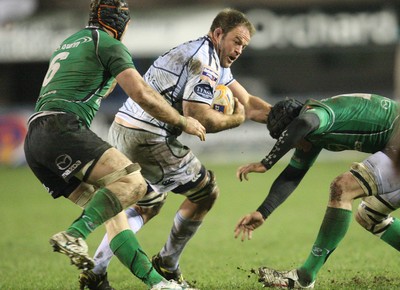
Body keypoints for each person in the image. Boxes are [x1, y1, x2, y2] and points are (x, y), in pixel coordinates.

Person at [78, 8, 272, 290]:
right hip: (147, 137)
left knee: (149, 203)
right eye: (237, 41)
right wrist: (234, 120)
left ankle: (95, 272)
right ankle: (167, 266)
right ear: (218, 33)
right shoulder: (203, 61)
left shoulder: (208, 54)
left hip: (124, 127)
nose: (240, 49)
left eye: (244, 45)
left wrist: (287, 118)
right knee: (205, 191)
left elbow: (250, 104)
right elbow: (199, 116)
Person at [23, 1, 205, 289]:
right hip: (62, 128)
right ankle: (74, 233)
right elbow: (141, 94)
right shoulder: (107, 43)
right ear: (120, 23)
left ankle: (157, 284)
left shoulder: (71, 42)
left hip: (35, 141)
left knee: (114, 212)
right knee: (134, 183)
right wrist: (183, 122)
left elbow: (101, 83)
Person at [234, 94, 400, 289]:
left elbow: (304, 122)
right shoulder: (313, 130)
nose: (295, 145)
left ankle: (304, 277)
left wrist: (266, 162)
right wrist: (263, 211)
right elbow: (292, 175)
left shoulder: (315, 115)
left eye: (291, 139)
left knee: (342, 187)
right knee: (369, 216)